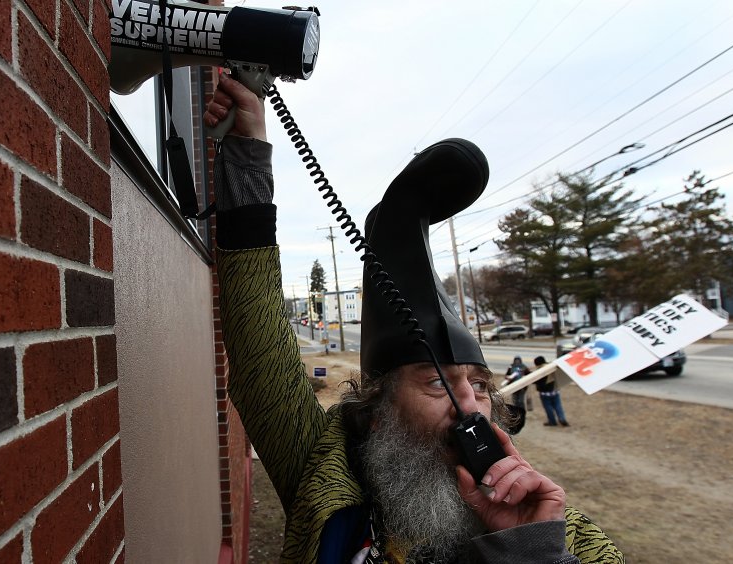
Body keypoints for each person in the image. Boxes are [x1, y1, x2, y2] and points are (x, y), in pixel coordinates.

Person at [205, 73, 622, 563]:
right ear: (379, 412)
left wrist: (531, 551)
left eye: (480, 384)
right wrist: (248, 153)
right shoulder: (323, 473)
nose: (470, 405)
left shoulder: (559, 532)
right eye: (436, 383)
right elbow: (261, 358)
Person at [534, 355, 570, 427]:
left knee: (548, 407)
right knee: (558, 406)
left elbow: (536, 381)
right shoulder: (550, 367)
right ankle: (562, 419)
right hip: (555, 391)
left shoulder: (539, 371)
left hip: (544, 393)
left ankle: (552, 421)